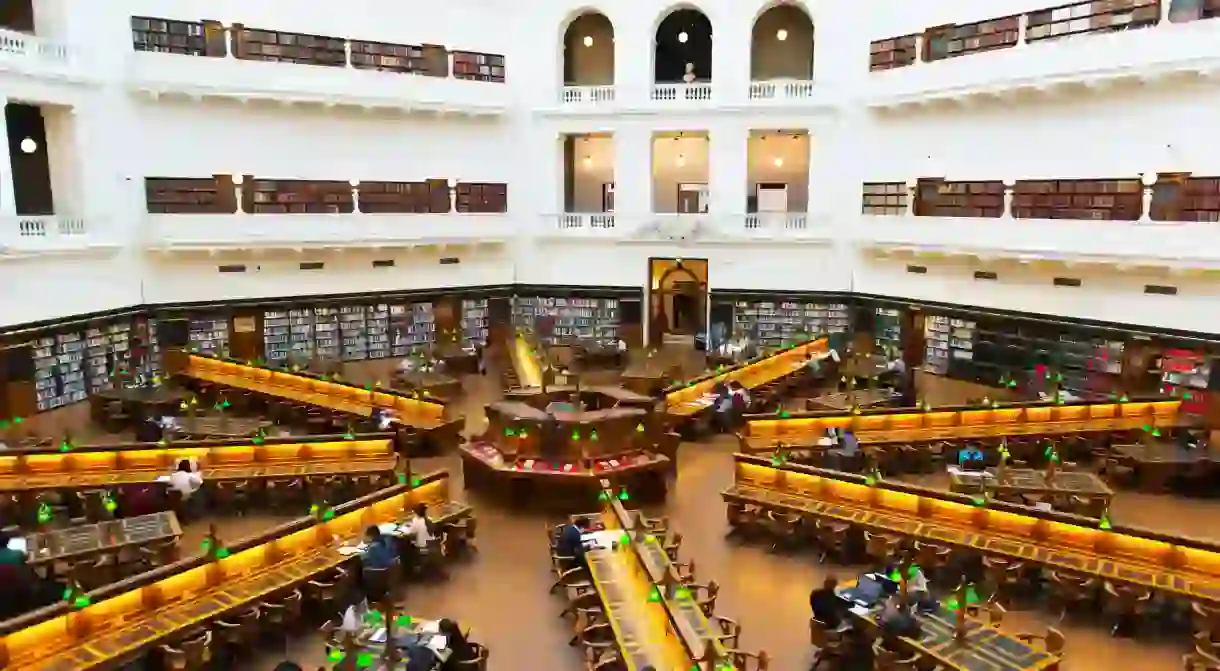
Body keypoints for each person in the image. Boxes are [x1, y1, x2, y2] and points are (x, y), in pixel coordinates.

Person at [360, 525, 398, 603]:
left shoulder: (373, 547)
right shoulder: (385, 541)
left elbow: (363, 558)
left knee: (358, 568)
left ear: (370, 536)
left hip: (378, 573)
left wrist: (363, 552)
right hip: (389, 569)